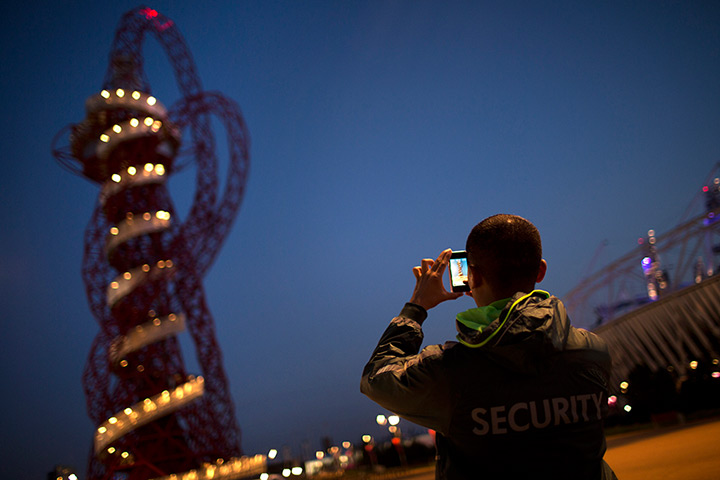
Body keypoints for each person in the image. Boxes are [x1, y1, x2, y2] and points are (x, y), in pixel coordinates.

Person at [360, 214, 617, 479]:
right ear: (540, 271)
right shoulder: (593, 352)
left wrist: (417, 306)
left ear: (473, 276)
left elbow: (375, 377)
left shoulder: (450, 371)